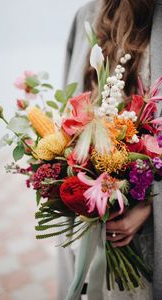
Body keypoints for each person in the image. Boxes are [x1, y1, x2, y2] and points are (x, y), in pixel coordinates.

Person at [57, 1, 162, 299]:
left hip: (149, 231)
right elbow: (68, 116)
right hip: (93, 217)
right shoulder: (85, 17)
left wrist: (148, 205)